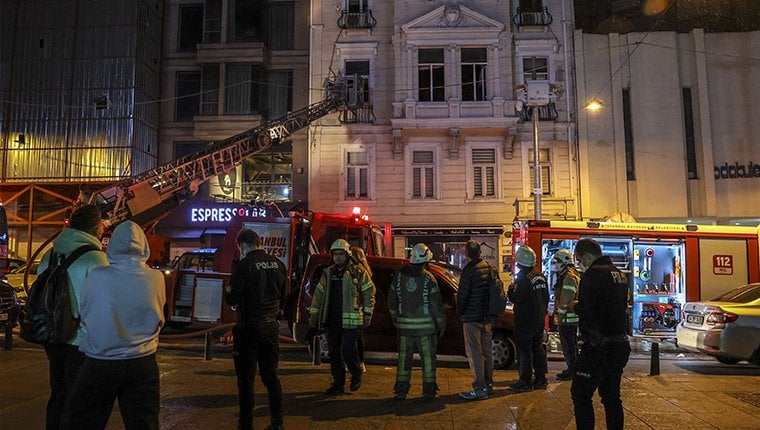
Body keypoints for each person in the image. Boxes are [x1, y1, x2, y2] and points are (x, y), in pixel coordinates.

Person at [64, 220, 165, 430]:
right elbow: (159, 318)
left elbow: (85, 313)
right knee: (144, 422)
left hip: (101, 360)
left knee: (83, 420)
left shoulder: (98, 277)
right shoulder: (156, 278)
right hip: (142, 360)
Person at [38, 204, 109, 430]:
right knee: (79, 398)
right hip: (80, 340)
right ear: (94, 228)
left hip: (52, 335)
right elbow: (102, 304)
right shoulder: (96, 258)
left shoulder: (50, 253)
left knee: (58, 392)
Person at [225, 229, 287, 430]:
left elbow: (233, 298)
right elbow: (284, 294)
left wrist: (228, 290)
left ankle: (246, 424)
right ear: (259, 243)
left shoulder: (244, 266)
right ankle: (277, 422)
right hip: (271, 326)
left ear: (243, 245)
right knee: (271, 376)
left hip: (249, 328)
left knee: (246, 380)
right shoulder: (278, 264)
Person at [569, 238, 631, 430]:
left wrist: (575, 306)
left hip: (598, 347)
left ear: (587, 256)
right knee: (611, 396)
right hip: (619, 345)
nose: (580, 265)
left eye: (579, 260)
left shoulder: (592, 275)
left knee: (580, 393)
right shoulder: (618, 274)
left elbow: (588, 310)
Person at [309, 239, 375, 395]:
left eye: (341, 254)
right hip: (332, 319)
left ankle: (356, 373)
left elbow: (369, 293)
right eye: (335, 254)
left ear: (347, 255)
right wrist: (314, 315)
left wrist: (367, 313)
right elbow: (318, 295)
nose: (338, 257)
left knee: (347, 349)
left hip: (352, 321)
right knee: (334, 353)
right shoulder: (328, 273)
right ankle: (338, 383)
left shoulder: (358, 272)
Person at [387, 243, 445, 400]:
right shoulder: (429, 278)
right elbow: (436, 305)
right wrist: (441, 324)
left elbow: (392, 300)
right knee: (427, 361)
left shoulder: (399, 277)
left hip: (405, 329)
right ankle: (429, 391)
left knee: (404, 360)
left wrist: (395, 318)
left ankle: (401, 391)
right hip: (426, 331)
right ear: (426, 260)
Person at [507, 244, 549, 393]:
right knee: (538, 350)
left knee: (524, 352)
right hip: (538, 321)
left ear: (519, 262)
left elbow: (516, 298)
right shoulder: (541, 277)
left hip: (525, 322)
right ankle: (540, 379)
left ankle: (525, 381)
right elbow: (546, 298)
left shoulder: (522, 279)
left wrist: (510, 290)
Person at [456, 240, 494, 401]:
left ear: (467, 253)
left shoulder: (469, 271)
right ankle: (489, 384)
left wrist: (459, 311)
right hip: (486, 317)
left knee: (475, 353)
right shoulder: (489, 267)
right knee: (487, 351)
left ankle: (479, 388)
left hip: (472, 317)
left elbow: (462, 296)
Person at [551, 249, 580, 381]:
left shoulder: (568, 277)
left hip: (568, 319)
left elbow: (565, 301)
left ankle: (572, 370)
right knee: (571, 345)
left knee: (569, 346)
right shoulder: (568, 275)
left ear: (565, 262)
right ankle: (573, 369)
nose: (555, 264)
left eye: (557, 262)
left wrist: (558, 315)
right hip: (569, 319)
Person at [349, 246, 372, 373]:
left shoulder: (357, 271)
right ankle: (360, 362)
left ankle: (356, 363)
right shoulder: (365, 270)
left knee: (353, 340)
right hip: (359, 310)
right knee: (357, 338)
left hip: (355, 309)